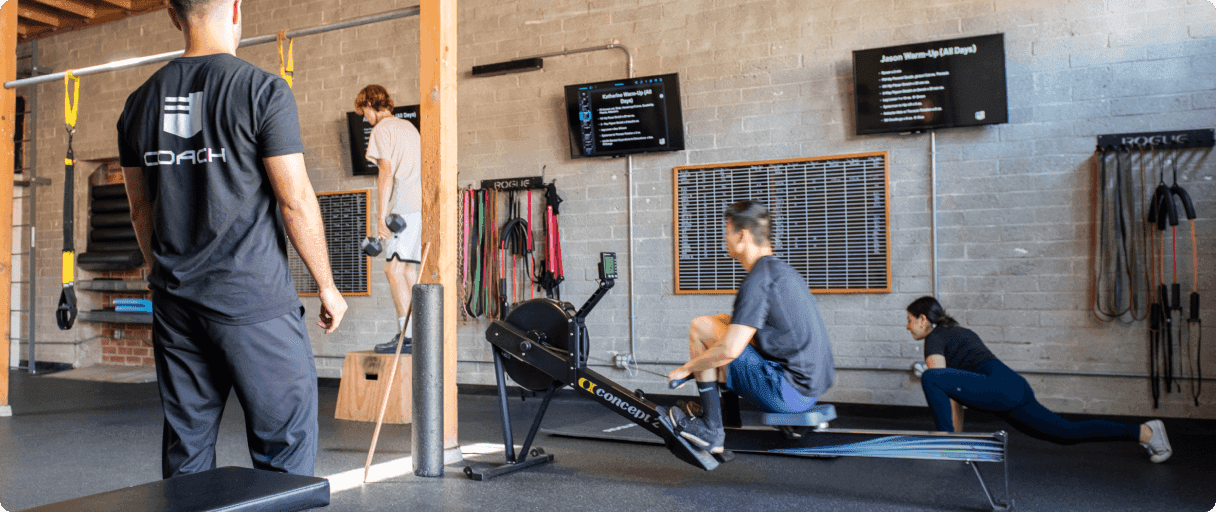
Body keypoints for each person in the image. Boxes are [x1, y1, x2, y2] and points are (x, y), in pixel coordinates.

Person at [118, 0, 348, 478]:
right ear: (237, 9)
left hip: (176, 303)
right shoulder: (262, 90)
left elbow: (141, 209)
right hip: (252, 300)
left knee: (188, 454)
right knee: (284, 450)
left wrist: (160, 276)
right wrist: (326, 284)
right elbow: (296, 200)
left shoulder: (138, 103)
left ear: (172, 15)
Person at [905, 296, 1172, 463]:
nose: (907, 326)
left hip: (999, 388)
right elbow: (955, 392)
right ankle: (1146, 432)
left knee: (929, 375)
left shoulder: (935, 337)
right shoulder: (958, 332)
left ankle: (945, 443)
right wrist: (959, 442)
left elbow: (941, 383)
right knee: (1066, 433)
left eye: (909, 320)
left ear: (923, 319)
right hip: (1012, 387)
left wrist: (950, 442)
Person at [665, 200, 835, 453]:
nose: (725, 239)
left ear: (742, 235)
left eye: (726, 232)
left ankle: (712, 430)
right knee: (723, 321)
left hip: (788, 395)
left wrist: (685, 369)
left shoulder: (758, 279)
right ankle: (727, 417)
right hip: (809, 388)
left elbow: (730, 350)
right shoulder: (781, 271)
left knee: (701, 327)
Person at [353, 85, 423, 355]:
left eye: (363, 112)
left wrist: (380, 216)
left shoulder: (382, 129)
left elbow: (385, 173)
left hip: (402, 208)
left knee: (392, 270)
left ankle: (407, 337)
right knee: (408, 271)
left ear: (370, 105)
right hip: (418, 208)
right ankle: (417, 333)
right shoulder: (409, 128)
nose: (364, 118)